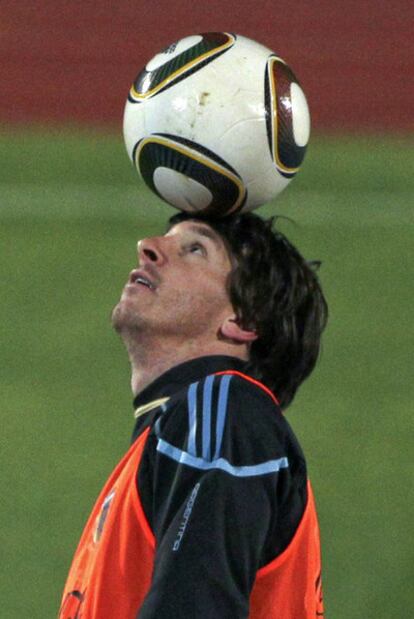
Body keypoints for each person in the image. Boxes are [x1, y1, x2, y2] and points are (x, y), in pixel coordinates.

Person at [59, 211, 328, 618]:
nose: (148, 247)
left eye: (195, 249)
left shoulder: (223, 410)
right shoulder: (179, 429)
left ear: (243, 320)